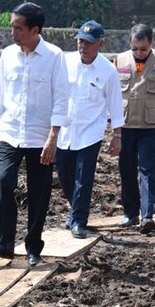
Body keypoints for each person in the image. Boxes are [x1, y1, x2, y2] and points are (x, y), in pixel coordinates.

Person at [0, 3, 69, 265]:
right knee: (4, 182)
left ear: (34, 30)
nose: (12, 32)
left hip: (40, 136)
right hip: (10, 131)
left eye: (18, 28)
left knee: (39, 192)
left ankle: (33, 248)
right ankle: (5, 243)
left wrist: (53, 136)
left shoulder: (54, 56)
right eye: (12, 26)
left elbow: (62, 98)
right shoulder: (8, 55)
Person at [56, 21, 123, 238]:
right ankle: (75, 210)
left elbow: (115, 103)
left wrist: (117, 135)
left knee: (83, 178)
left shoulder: (108, 71)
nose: (83, 46)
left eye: (88, 43)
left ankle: (78, 221)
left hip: (90, 131)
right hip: (66, 129)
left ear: (100, 44)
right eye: (80, 41)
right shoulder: (65, 62)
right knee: (64, 173)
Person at [115, 23, 155, 233]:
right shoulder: (120, 59)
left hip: (150, 127)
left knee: (147, 169)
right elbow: (112, 94)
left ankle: (147, 215)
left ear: (151, 44)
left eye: (143, 49)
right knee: (126, 169)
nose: (139, 53)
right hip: (125, 125)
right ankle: (130, 212)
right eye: (135, 48)